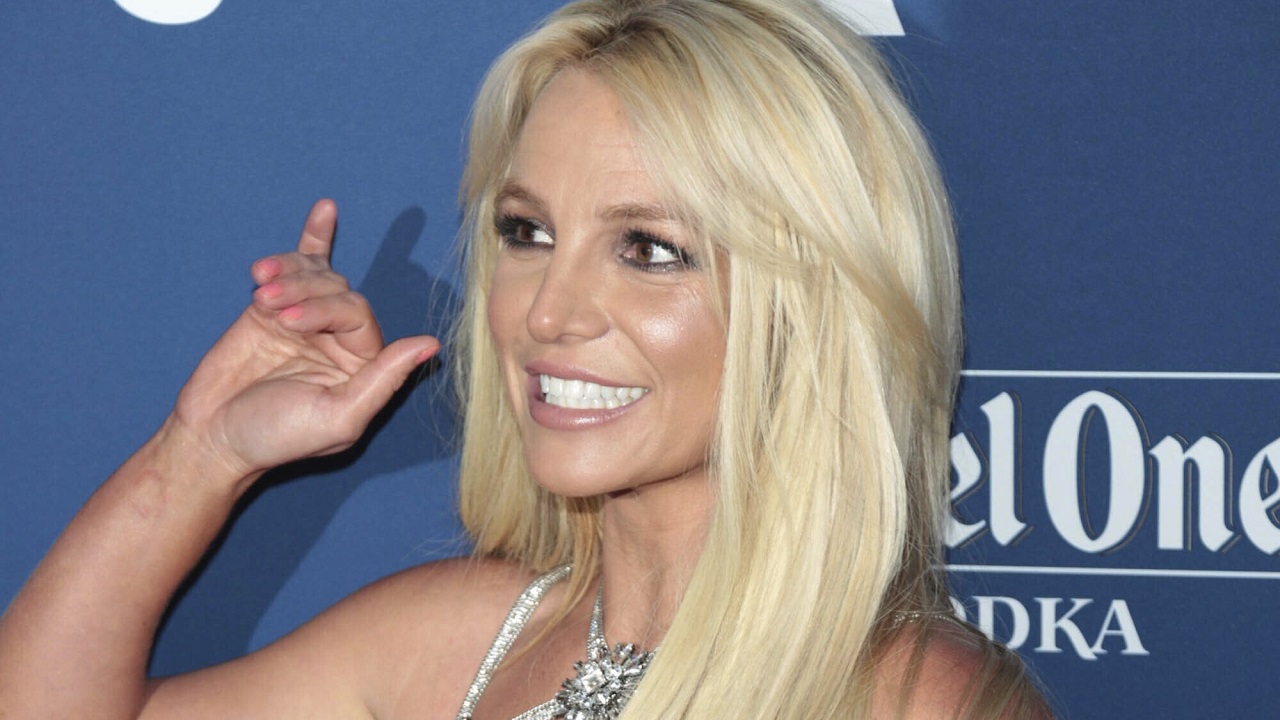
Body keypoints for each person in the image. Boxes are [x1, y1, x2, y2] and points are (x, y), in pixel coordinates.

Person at [0, 0, 1052, 718]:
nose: (546, 311)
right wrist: (199, 454)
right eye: (527, 232)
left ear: (808, 305)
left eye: (649, 249)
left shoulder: (914, 701)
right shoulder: (451, 641)